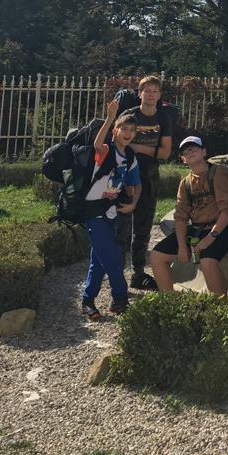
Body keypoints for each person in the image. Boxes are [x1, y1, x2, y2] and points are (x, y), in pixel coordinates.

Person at [150, 135, 228, 297]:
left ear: (204, 152)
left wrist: (210, 237)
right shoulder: (185, 183)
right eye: (186, 151)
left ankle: (220, 307)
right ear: (183, 159)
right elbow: (181, 217)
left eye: (193, 148)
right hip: (196, 230)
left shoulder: (218, 172)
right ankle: (170, 302)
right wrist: (182, 246)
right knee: (157, 256)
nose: (190, 152)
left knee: (207, 262)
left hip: (221, 229)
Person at [81, 100, 141, 319]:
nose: (128, 133)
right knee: (113, 257)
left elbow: (136, 184)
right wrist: (109, 118)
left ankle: (88, 301)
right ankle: (120, 299)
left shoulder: (130, 157)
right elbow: (97, 145)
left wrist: (133, 203)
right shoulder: (107, 150)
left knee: (99, 260)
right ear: (115, 131)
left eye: (132, 130)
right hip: (93, 212)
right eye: (124, 129)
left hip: (111, 213)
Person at [116, 75, 174, 290]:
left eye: (154, 91)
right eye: (147, 91)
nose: (150, 95)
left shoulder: (163, 118)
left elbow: (165, 152)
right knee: (122, 226)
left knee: (143, 225)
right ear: (139, 94)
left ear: (159, 95)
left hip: (149, 174)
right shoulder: (130, 116)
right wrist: (150, 150)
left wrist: (139, 148)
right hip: (125, 174)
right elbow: (117, 143)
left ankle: (138, 273)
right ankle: (117, 275)